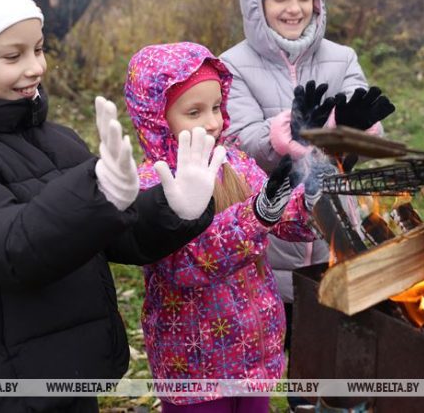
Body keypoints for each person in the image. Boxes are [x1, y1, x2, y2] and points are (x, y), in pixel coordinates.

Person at [0, 0, 223, 413]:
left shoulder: (57, 141)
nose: (36, 67)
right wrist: (96, 193)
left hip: (68, 372)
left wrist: (173, 209)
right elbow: (7, 249)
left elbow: (112, 236)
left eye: (38, 48)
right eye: (13, 55)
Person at [219, 0, 394, 412]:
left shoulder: (342, 59)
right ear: (257, 2)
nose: (294, 8)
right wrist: (287, 137)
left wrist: (355, 132)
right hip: (271, 246)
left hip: (337, 236)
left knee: (341, 359)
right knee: (297, 357)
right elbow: (243, 143)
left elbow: (358, 145)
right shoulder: (231, 66)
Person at [124, 42, 326, 412]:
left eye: (216, 107)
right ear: (157, 118)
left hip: (256, 344)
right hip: (194, 362)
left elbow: (283, 218)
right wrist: (256, 216)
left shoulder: (235, 162)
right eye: (195, 111)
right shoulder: (153, 185)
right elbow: (186, 266)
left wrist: (314, 190)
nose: (214, 121)